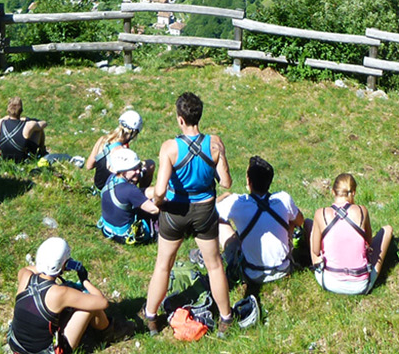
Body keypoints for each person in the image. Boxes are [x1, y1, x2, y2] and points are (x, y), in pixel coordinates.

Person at [142, 92, 233, 336]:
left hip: (175, 212)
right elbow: (226, 183)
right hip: (204, 210)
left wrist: (158, 202)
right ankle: (226, 318)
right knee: (214, 266)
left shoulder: (170, 147)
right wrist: (220, 156)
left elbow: (160, 189)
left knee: (163, 265)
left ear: (180, 119)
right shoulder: (214, 143)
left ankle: (151, 317)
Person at [8, 237, 111, 354]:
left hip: (16, 345)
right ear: (64, 264)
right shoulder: (60, 293)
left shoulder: (25, 276)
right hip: (44, 352)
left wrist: (49, 266)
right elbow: (102, 302)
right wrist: (84, 280)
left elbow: (28, 268)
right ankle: (108, 333)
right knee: (89, 306)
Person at [217, 156, 305, 288]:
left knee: (220, 223)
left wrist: (225, 195)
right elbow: (300, 221)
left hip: (252, 274)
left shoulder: (236, 202)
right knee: (290, 219)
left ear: (249, 180)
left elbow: (208, 213)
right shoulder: (283, 199)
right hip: (283, 269)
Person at [310, 173, 393, 295]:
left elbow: (316, 251)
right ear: (353, 192)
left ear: (333, 192)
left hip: (329, 282)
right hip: (361, 285)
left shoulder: (321, 214)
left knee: (311, 227)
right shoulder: (361, 211)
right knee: (387, 229)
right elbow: (369, 242)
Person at [98, 147, 159, 245]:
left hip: (108, 229)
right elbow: (154, 210)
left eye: (138, 167)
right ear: (123, 170)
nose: (138, 172)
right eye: (134, 169)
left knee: (150, 192)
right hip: (126, 235)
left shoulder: (112, 178)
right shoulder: (130, 190)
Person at [88, 110, 143, 190]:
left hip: (98, 186)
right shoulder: (123, 151)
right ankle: (141, 194)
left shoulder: (102, 140)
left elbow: (89, 166)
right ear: (133, 133)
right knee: (147, 166)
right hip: (112, 189)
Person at [0, 97, 48, 162]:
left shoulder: (0, 122)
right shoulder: (28, 125)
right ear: (21, 110)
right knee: (39, 130)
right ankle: (42, 151)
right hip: (22, 158)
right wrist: (27, 119)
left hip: (5, 157)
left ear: (8, 110)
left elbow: (6, 118)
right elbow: (44, 124)